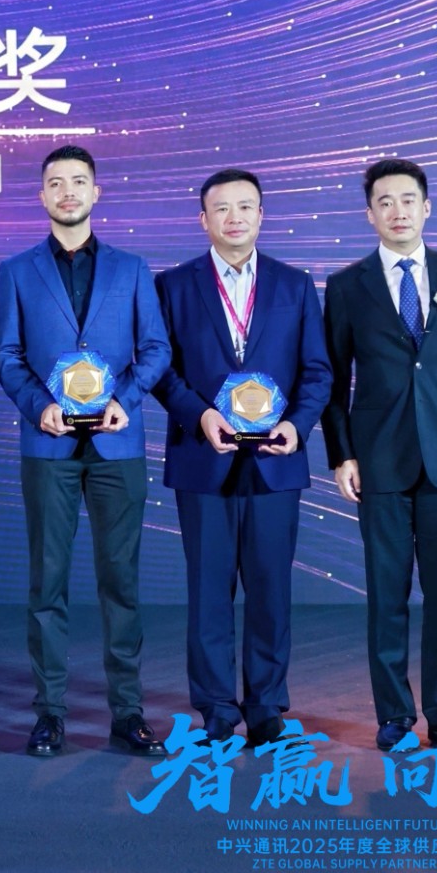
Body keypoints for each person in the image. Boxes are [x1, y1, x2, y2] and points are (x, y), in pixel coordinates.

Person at [0, 145, 171, 758]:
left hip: (118, 443)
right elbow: (7, 354)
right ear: (41, 195)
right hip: (48, 443)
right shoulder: (16, 271)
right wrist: (36, 405)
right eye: (55, 182)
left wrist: (126, 398)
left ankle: (129, 713)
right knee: (47, 583)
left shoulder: (133, 268)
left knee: (121, 582)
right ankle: (50, 713)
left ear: (96, 192)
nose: (67, 191)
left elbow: (156, 348)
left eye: (78, 181)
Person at [323, 158, 437, 754]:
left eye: (407, 200)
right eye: (385, 202)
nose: (397, 211)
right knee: (387, 593)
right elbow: (334, 380)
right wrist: (342, 455)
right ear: (369, 214)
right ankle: (395, 715)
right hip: (378, 458)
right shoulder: (347, 286)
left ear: (427, 207)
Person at [152, 169, 330, 749]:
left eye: (246, 207)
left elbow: (317, 371)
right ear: (202, 219)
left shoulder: (294, 285)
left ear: (261, 215)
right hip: (203, 455)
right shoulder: (173, 286)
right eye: (222, 208)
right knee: (208, 591)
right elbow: (161, 368)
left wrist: (296, 426)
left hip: (276, 459)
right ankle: (215, 709)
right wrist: (200, 415)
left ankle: (267, 706)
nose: (235, 218)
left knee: (270, 589)